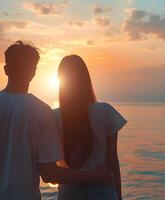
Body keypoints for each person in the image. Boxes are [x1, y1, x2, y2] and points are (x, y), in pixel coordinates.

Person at [0, 41, 112, 200]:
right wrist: (96, 176)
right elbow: (49, 173)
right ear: (33, 72)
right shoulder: (41, 112)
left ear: (6, 70)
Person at [53, 55, 127, 200]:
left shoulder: (53, 117)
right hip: (102, 189)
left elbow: (50, 167)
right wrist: (118, 196)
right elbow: (112, 160)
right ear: (85, 79)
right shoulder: (105, 111)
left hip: (69, 190)